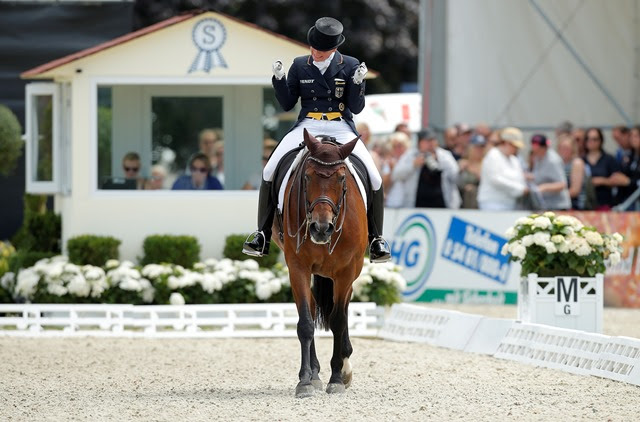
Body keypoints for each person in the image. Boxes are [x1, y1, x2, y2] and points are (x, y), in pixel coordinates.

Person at [242, 17, 391, 263]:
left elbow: (356, 107)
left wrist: (357, 83)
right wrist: (279, 79)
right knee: (269, 169)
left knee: (374, 177)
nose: (315, 54)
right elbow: (288, 102)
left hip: (341, 125)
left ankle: (377, 239)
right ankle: (262, 234)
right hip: (308, 124)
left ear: (334, 50)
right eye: (313, 48)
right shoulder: (300, 65)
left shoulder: (350, 65)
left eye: (321, 51)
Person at [392, 128, 461, 209]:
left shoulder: (444, 155)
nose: (431, 144)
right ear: (420, 142)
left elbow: (456, 175)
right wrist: (413, 165)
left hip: (442, 204)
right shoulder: (410, 155)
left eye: (433, 140)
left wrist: (438, 161)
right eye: (427, 141)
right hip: (416, 205)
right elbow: (396, 175)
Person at [477, 127, 528, 210]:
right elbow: (495, 179)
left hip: (510, 203)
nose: (516, 149)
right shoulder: (493, 155)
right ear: (506, 143)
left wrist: (524, 187)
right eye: (514, 146)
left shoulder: (514, 159)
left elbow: (520, 178)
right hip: (492, 203)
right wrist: (520, 189)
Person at [582, 127, 629, 210]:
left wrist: (603, 181)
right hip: (584, 203)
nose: (591, 142)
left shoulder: (609, 159)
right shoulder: (581, 160)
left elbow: (618, 179)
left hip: (604, 202)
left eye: (594, 139)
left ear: (600, 141)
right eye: (588, 139)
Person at [528, 134, 571, 210]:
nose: (534, 150)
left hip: (558, 206)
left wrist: (543, 187)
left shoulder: (553, 161)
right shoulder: (538, 158)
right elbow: (540, 175)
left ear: (544, 148)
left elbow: (562, 184)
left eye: (537, 149)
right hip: (546, 204)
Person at [557, 134, 593, 210]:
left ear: (573, 149)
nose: (563, 151)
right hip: (563, 205)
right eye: (561, 148)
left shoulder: (577, 163)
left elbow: (575, 191)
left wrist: (554, 197)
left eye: (566, 148)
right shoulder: (559, 163)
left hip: (577, 206)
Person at [382, 131, 411, 208]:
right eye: (394, 146)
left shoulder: (410, 160)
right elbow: (385, 185)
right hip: (392, 201)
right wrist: (391, 171)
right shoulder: (389, 162)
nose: (397, 149)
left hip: (408, 203)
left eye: (400, 145)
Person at [457, 133, 486, 209]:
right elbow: (455, 182)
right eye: (476, 147)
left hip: (479, 201)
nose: (479, 150)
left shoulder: (486, 164)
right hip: (462, 200)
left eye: (481, 147)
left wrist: (474, 171)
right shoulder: (462, 163)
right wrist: (459, 170)